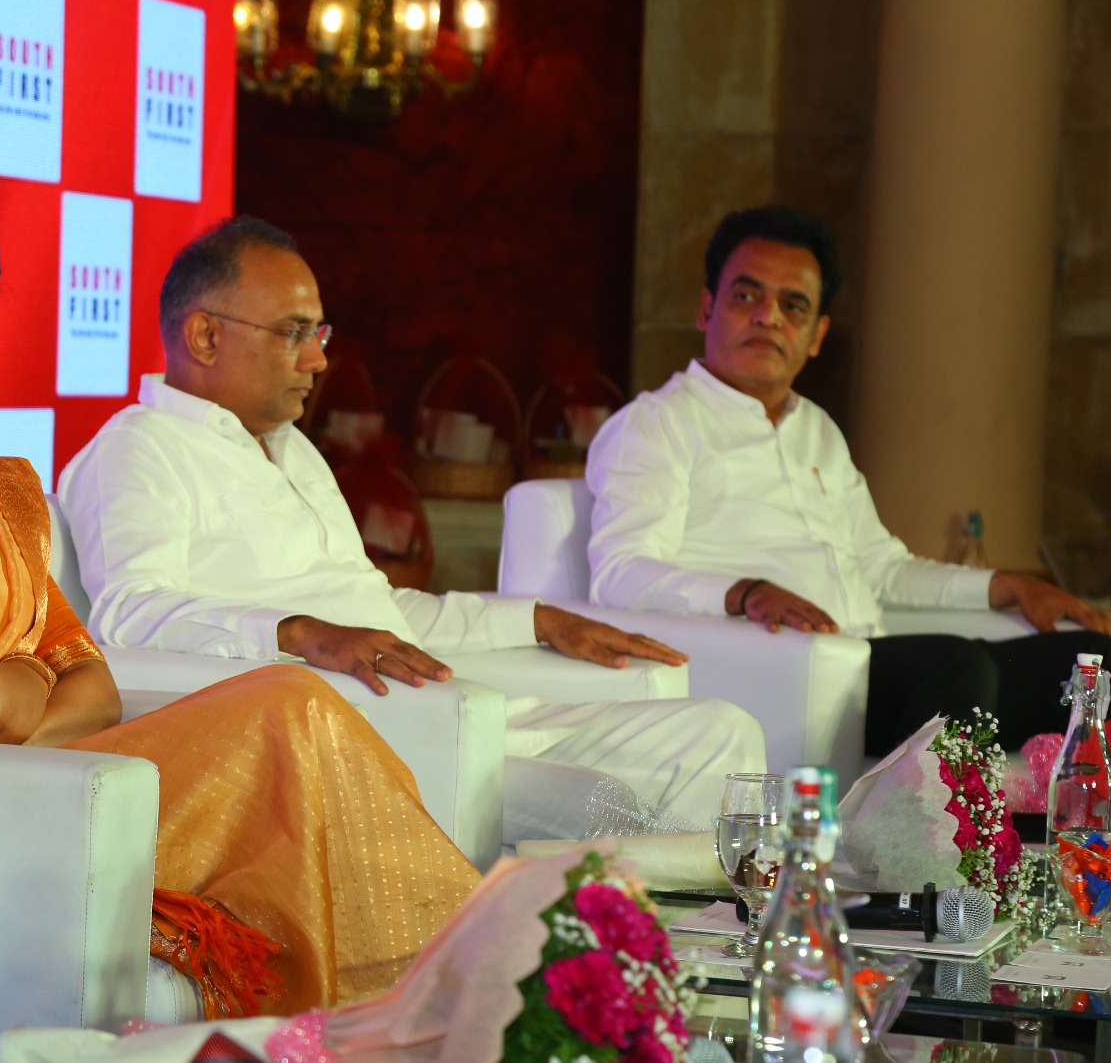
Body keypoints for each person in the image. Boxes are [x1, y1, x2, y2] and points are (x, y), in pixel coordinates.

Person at [0, 189, 477, 1018]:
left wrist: (1, 699)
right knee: (288, 709)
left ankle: (429, 998)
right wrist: (26, 683)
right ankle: (463, 994)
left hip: (36, 784)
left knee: (294, 713)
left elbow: (95, 689)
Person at [55, 216, 766, 834]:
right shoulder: (136, 449)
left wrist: (537, 619)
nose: (319, 359)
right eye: (294, 332)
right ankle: (615, 939)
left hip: (437, 709)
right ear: (205, 335)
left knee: (720, 730)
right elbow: (129, 614)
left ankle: (706, 932)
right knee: (606, 805)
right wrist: (298, 633)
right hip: (340, 736)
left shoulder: (290, 448)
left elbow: (380, 612)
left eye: (318, 332)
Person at [584, 204, 1111, 755]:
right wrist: (745, 593)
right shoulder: (656, 424)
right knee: (956, 666)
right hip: (775, 672)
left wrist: (1010, 586)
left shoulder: (816, 430)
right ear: (707, 308)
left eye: (793, 305)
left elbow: (881, 568)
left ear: (817, 334)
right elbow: (619, 574)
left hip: (872, 663)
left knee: (1103, 667)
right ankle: (924, 822)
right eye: (746, 296)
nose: (769, 317)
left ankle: (1096, 821)